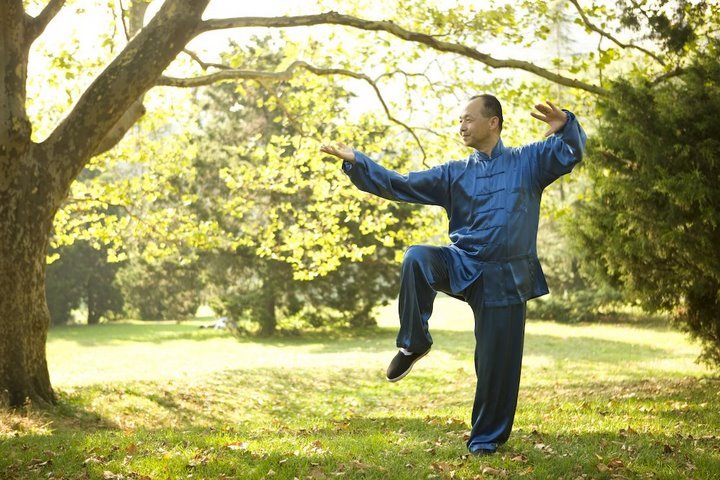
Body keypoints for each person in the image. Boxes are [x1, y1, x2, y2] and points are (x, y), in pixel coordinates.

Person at [320, 94, 586, 455]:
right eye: (459, 121)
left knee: (496, 367)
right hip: (462, 264)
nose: (461, 126)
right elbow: (401, 183)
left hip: (506, 278)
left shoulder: (529, 161)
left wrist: (566, 126)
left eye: (468, 119)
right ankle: (414, 342)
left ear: (493, 122)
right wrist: (358, 163)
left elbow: (570, 152)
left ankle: (485, 441)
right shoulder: (454, 173)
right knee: (417, 257)